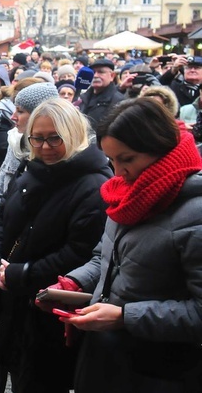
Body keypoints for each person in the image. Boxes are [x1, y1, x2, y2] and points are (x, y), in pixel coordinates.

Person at [52, 98, 202, 393]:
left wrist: (124, 317)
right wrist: (74, 282)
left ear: (161, 148)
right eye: (112, 161)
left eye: (127, 159)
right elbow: (106, 257)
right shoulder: (128, 194)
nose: (118, 172)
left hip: (158, 372)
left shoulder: (195, 213)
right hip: (106, 358)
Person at [0, 98, 111, 393]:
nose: (45, 146)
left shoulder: (93, 185)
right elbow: (1, 218)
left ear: (74, 135)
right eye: (37, 138)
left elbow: (79, 253)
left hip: (50, 314)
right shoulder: (31, 170)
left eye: (55, 138)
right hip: (14, 304)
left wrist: (18, 274)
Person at [78, 58, 124, 127]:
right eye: (93, 72)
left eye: (101, 72)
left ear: (112, 76)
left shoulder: (119, 101)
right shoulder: (84, 98)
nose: (95, 75)